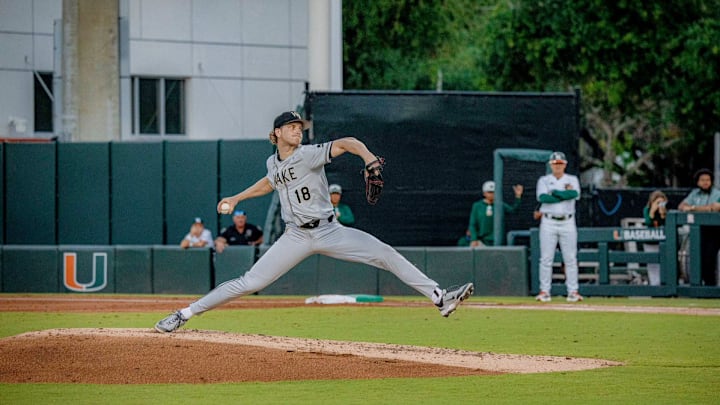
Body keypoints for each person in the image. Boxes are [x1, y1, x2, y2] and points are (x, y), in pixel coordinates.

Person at [154, 111, 474, 332]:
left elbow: (348, 142)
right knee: (251, 282)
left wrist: (369, 159)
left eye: (300, 126)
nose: (298, 129)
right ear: (277, 133)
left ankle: (439, 297)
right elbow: (270, 182)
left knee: (385, 253)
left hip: (330, 231)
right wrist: (237, 198)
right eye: (292, 126)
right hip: (295, 237)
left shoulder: (308, 154)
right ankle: (184, 313)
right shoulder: (272, 161)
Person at [534, 151, 583, 303]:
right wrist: (563, 194)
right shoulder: (544, 180)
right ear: (551, 165)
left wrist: (555, 193)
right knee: (546, 259)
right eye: (555, 164)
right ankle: (544, 291)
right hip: (549, 221)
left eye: (560, 164)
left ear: (565, 164)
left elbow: (574, 194)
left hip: (568, 220)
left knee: (570, 258)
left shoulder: (572, 179)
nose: (558, 166)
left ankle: (573, 291)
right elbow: (543, 198)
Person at [677, 169, 720, 285]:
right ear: (698, 182)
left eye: (708, 180)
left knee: (709, 260)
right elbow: (682, 206)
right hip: (698, 231)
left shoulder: (716, 193)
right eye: (702, 180)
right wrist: (696, 208)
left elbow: (713, 208)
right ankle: (699, 287)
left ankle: (710, 288)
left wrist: (692, 208)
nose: (705, 182)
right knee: (696, 259)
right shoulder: (694, 193)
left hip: (714, 232)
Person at [467, 180, 523, 247]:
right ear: (484, 193)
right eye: (489, 192)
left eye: (494, 192)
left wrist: (518, 197)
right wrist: (474, 239)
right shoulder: (477, 206)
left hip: (497, 241)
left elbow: (513, 210)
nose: (492, 194)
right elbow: (472, 224)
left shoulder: (499, 205)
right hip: (481, 241)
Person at [643, 190, 668, 286]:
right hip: (651, 242)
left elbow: (667, 223)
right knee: (652, 264)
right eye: (658, 202)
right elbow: (648, 222)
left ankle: (665, 284)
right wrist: (652, 211)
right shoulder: (647, 209)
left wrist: (663, 213)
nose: (660, 205)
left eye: (662, 202)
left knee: (665, 263)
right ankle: (654, 285)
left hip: (663, 242)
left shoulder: (666, 210)